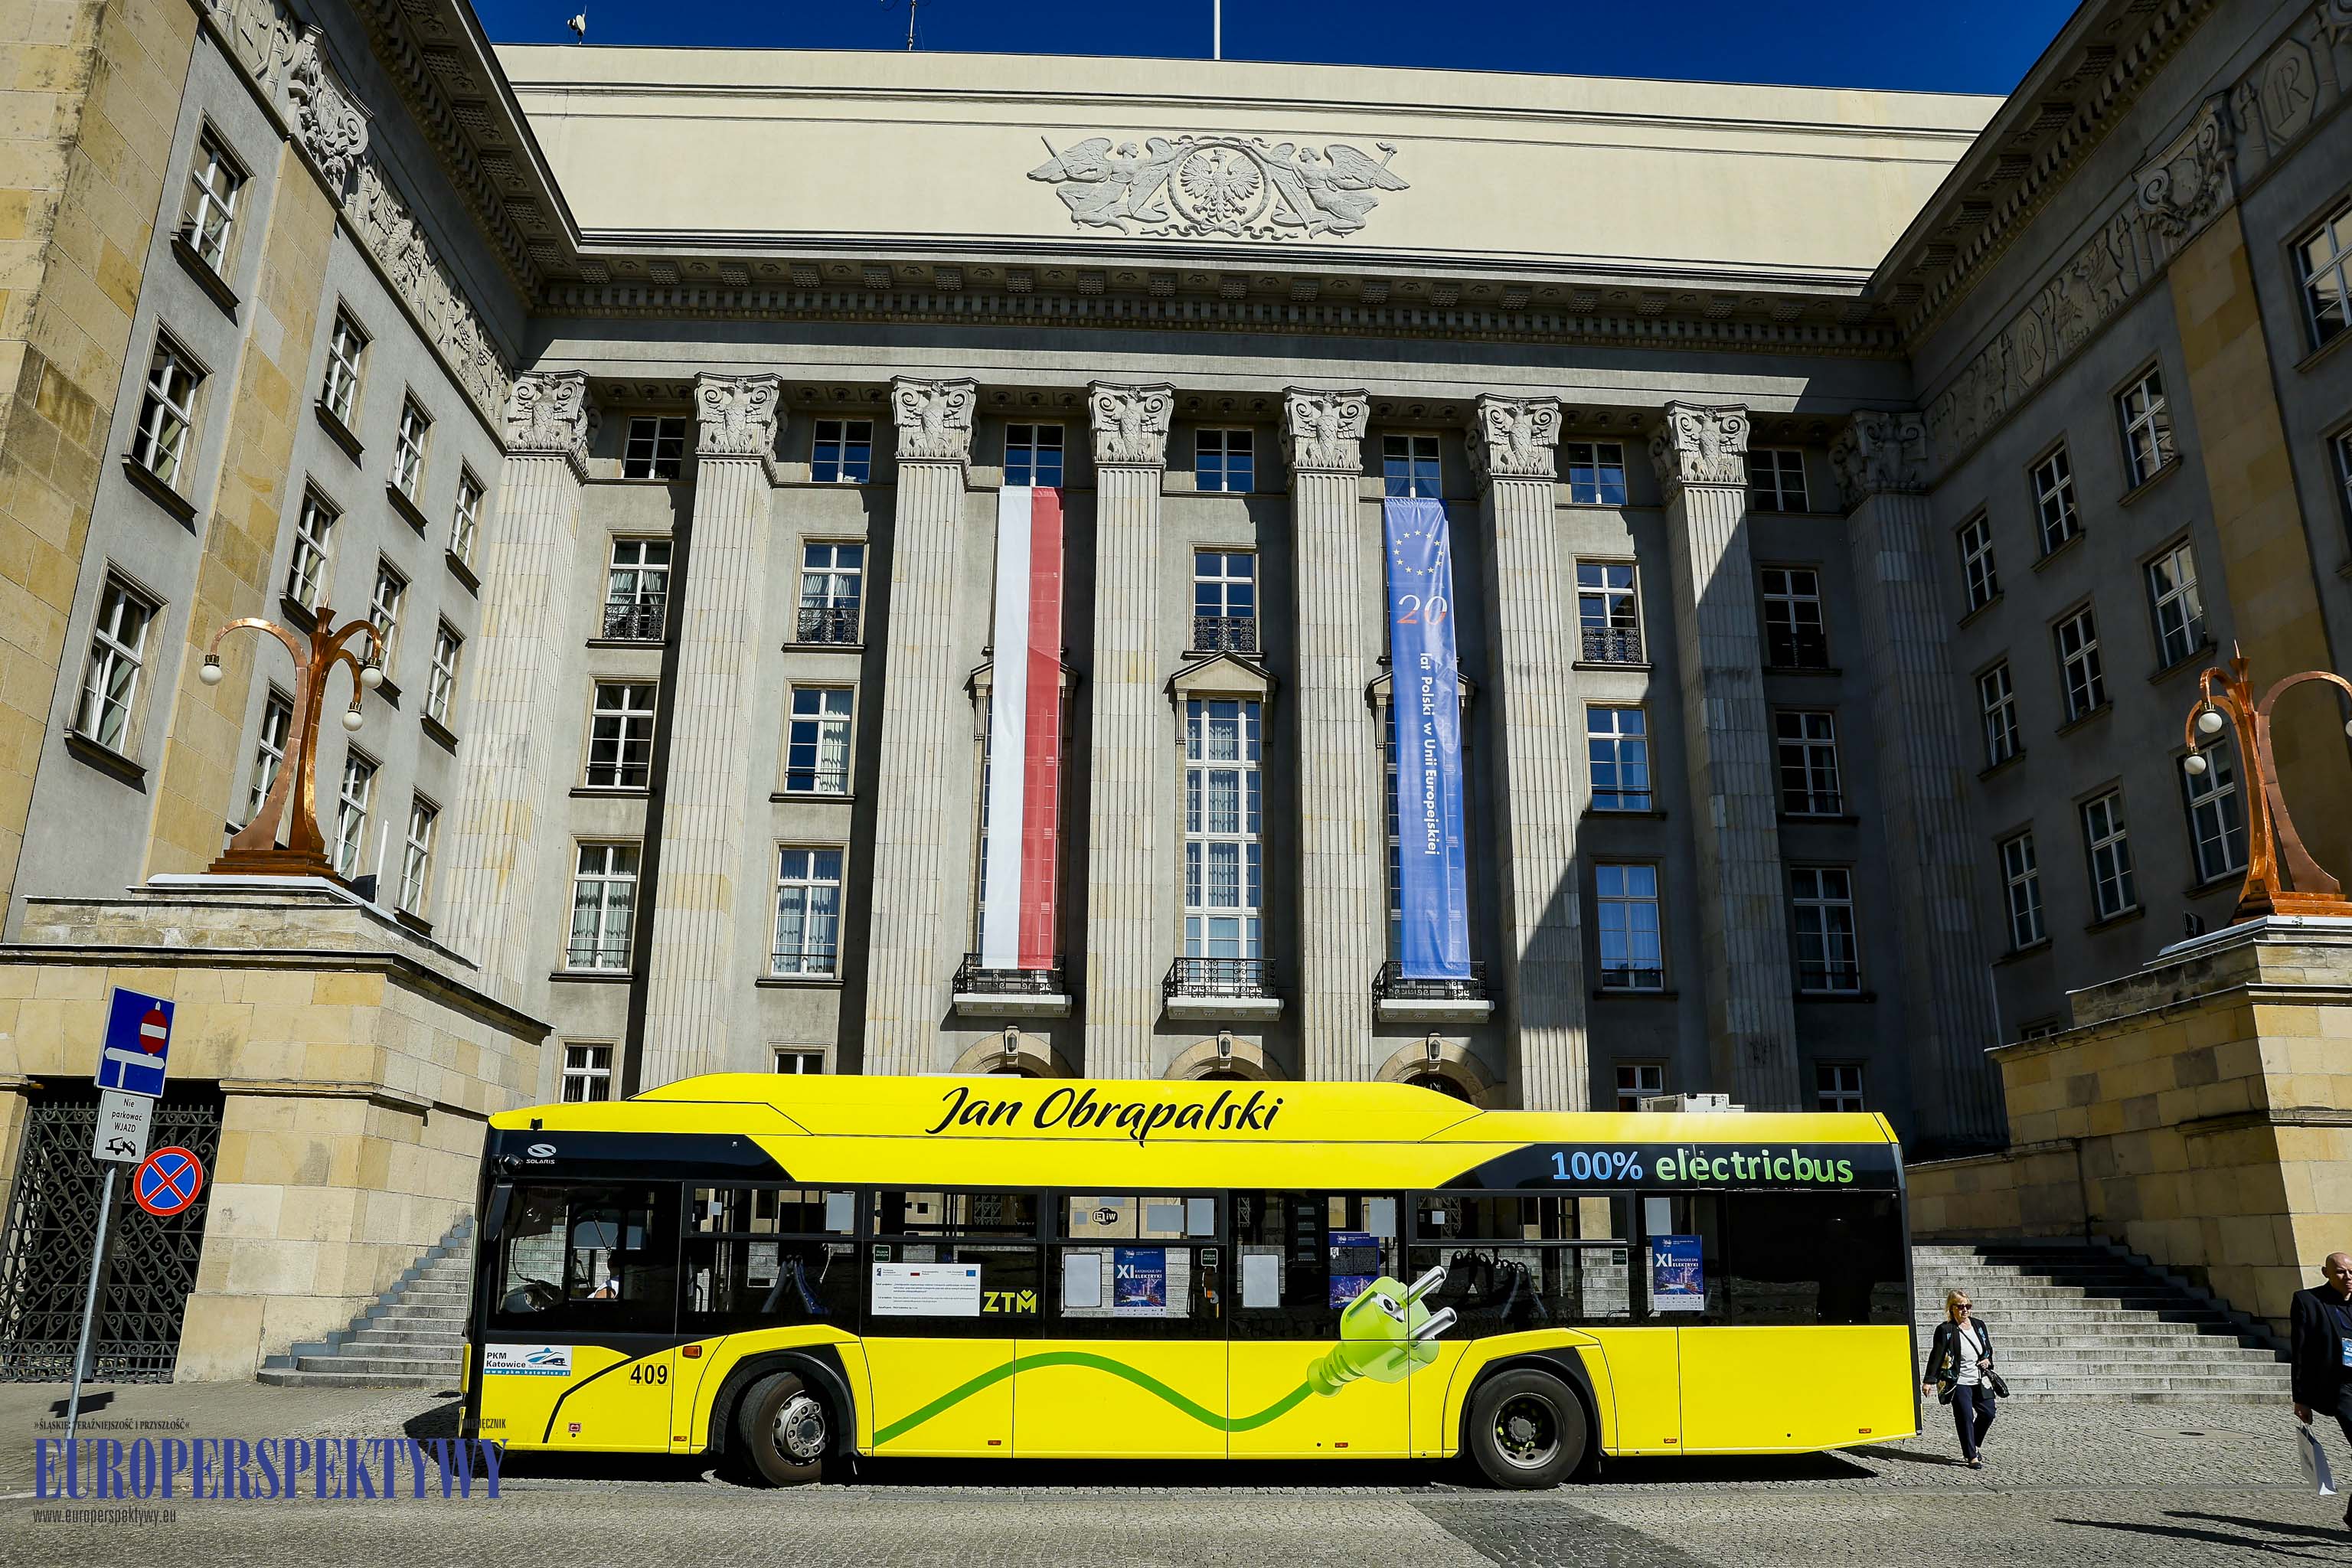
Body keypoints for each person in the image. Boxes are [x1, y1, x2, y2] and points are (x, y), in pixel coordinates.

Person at [2289, 1252, 2352, 1532]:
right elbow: (2300, 1350)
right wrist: (2301, 1397)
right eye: (2340, 1272)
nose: (2348, 1278)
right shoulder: (2308, 1301)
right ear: (2326, 1273)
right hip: (2339, 1387)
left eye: (2351, 1272)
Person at [1921, 1289, 1997, 1468]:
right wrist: (1928, 1381)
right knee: (1965, 1417)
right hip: (1958, 1381)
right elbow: (1937, 1356)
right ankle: (1972, 1456)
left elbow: (1988, 1348)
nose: (1965, 1310)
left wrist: (1987, 1359)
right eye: (1960, 1306)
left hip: (1980, 1379)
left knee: (1988, 1413)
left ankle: (1975, 1444)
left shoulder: (1979, 1325)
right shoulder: (1945, 1330)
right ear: (1951, 1308)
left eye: (1968, 1306)